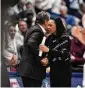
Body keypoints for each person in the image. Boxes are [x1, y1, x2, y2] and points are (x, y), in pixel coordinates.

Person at [18, 11, 50, 87]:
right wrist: (41, 58)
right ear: (45, 21)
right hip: (32, 72)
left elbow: (23, 47)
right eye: (48, 20)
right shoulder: (38, 31)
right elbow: (31, 43)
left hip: (27, 70)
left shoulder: (32, 28)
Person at [39, 17, 71, 87]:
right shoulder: (49, 38)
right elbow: (47, 54)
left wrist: (48, 50)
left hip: (63, 72)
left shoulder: (65, 38)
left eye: (50, 25)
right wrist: (46, 59)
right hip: (53, 71)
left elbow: (64, 54)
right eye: (47, 25)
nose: (48, 27)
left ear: (57, 25)